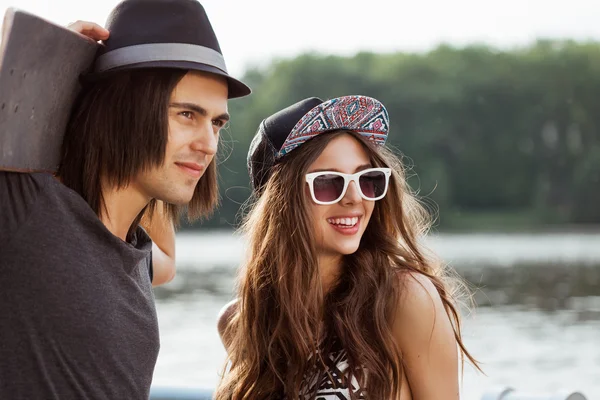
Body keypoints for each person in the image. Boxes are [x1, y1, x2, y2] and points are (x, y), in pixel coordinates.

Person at [0, 0, 250, 398]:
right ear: (124, 108)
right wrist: (43, 67)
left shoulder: (135, 256)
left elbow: (167, 264)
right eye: (187, 114)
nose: (208, 144)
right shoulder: (28, 210)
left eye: (216, 123)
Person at [216, 96, 479, 399]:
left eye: (366, 179)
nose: (355, 197)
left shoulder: (403, 299)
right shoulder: (242, 322)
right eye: (329, 182)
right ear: (280, 203)